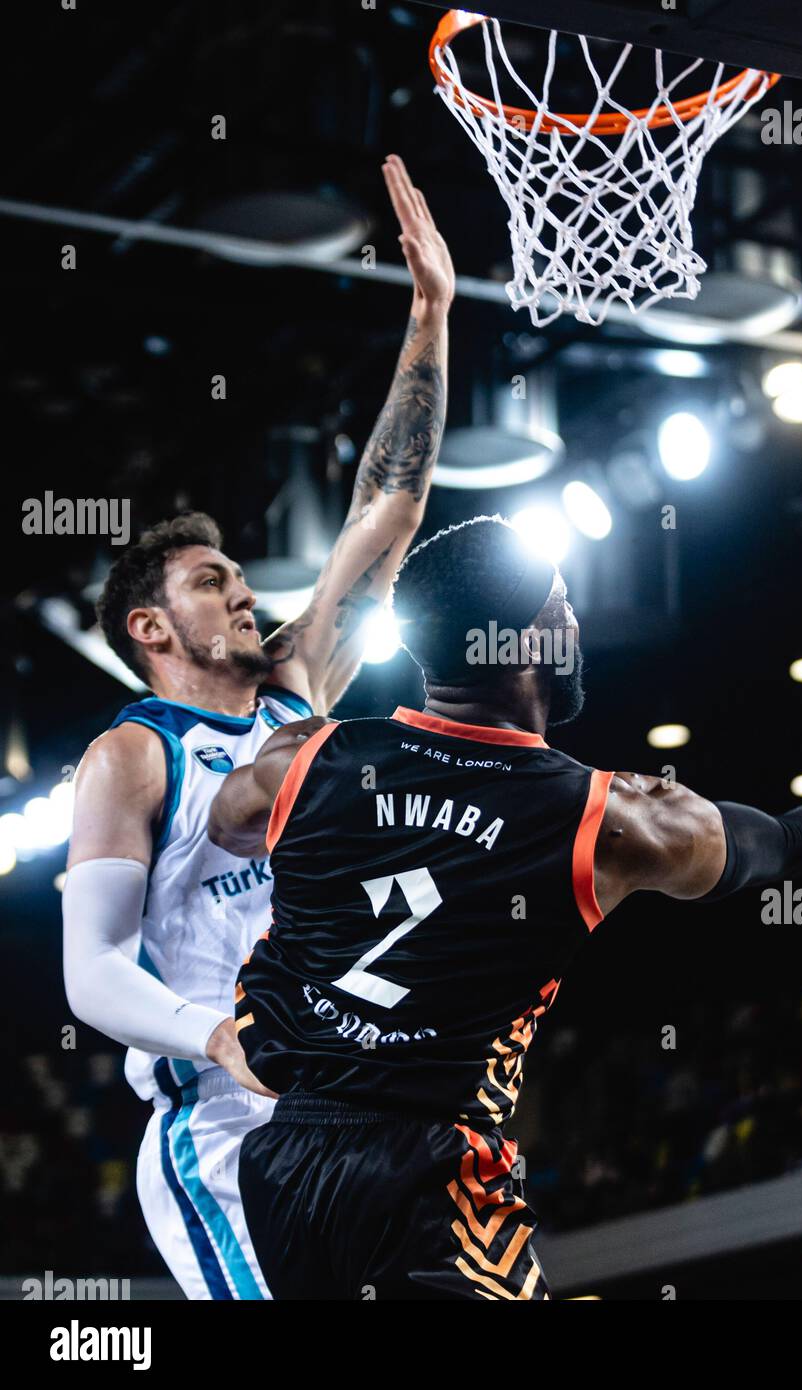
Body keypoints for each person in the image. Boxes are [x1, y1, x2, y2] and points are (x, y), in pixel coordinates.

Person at [208, 514, 802, 1300]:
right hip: (425, 1170)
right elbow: (786, 841)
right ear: (527, 642)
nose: (575, 624)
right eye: (562, 606)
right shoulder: (605, 817)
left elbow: (225, 826)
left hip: (285, 1167)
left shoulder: (302, 758)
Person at [61, 156, 455, 1300]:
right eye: (212, 579)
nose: (243, 590)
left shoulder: (298, 692)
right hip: (227, 1124)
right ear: (150, 624)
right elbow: (89, 973)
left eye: (239, 573)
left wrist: (429, 313)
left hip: (357, 1105)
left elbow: (390, 510)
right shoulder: (131, 756)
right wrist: (214, 1034)